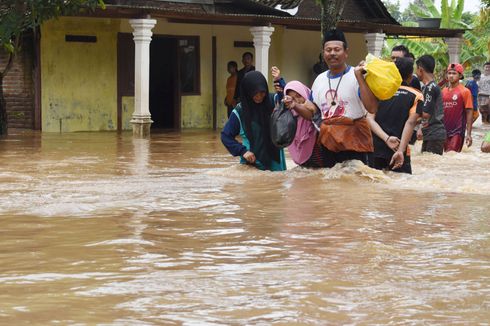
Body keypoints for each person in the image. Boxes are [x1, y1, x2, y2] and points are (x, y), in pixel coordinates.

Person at [311, 29, 378, 167]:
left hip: (356, 141)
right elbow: (313, 110)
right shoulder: (319, 79)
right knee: (331, 185)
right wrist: (294, 104)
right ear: (323, 53)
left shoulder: (358, 75)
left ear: (346, 52)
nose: (332, 53)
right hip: (328, 143)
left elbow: (371, 108)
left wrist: (359, 77)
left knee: (359, 183)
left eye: (337, 49)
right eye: (328, 50)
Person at [221, 71, 286, 171]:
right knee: (252, 187)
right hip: (252, 163)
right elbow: (225, 136)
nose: (259, 97)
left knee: (276, 185)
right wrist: (243, 151)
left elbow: (286, 101)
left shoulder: (272, 100)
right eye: (255, 93)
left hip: (275, 161)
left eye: (262, 92)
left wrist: (280, 82)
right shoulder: (239, 111)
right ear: (247, 92)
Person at [367, 57, 423, 174]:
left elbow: (369, 119)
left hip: (376, 149)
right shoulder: (416, 95)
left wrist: (386, 139)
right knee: (401, 187)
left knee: (376, 185)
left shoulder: (380, 91)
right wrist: (400, 151)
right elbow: (411, 122)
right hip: (399, 149)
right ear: (410, 76)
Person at [282, 80, 325, 168]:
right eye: (292, 99)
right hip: (303, 164)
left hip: (320, 160)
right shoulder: (290, 118)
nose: (297, 101)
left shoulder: (317, 110)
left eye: (299, 96)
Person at [415, 55, 446, 155]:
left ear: (420, 69)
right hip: (431, 133)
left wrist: (410, 116)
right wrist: (420, 128)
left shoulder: (429, 88)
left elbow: (426, 114)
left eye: (416, 69)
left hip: (434, 133)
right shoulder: (429, 87)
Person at [442, 63, 473, 152]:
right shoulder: (443, 91)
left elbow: (469, 113)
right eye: (449, 73)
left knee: (452, 154)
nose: (451, 76)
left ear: (460, 76)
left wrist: (469, 134)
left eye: (454, 73)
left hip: (458, 132)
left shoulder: (465, 91)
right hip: (444, 131)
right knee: (445, 156)